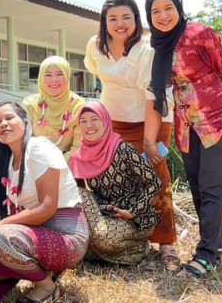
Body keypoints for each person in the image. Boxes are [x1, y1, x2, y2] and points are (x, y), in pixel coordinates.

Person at [144, 0, 222, 278]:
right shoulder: (160, 45)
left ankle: (206, 255)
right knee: (199, 188)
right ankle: (216, 246)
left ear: (179, 8)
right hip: (187, 125)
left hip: (215, 119)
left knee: (213, 188)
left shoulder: (199, 34)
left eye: (168, 8)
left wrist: (215, 102)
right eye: (155, 11)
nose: (163, 16)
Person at [84, 0, 179, 270]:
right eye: (113, 18)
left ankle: (166, 243)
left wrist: (149, 141)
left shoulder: (147, 48)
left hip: (151, 119)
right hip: (113, 122)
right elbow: (101, 76)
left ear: (136, 19)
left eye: (126, 17)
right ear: (104, 22)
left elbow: (153, 97)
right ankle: (129, 238)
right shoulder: (95, 46)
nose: (120, 24)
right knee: (117, 179)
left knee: (156, 176)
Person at [0, 102, 88, 303]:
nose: (3, 124)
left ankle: (47, 287)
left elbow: (47, 208)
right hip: (39, 235)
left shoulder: (38, 148)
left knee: (1, 237)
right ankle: (39, 274)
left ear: (25, 121)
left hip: (67, 236)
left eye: (9, 118)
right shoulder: (8, 163)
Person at [69, 102, 162, 265]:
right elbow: (79, 202)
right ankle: (125, 253)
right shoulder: (79, 158)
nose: (89, 125)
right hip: (105, 216)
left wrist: (132, 212)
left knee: (103, 238)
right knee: (79, 239)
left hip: (135, 219)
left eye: (94, 119)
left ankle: (137, 248)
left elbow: (154, 182)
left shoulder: (122, 149)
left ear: (105, 121)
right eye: (83, 121)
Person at [21, 55, 85, 158]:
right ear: (41, 77)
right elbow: (24, 142)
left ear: (67, 76)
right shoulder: (30, 105)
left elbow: (78, 147)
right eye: (48, 75)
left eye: (60, 74)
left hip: (68, 164)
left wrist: (57, 165)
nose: (54, 80)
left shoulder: (78, 106)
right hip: (35, 162)